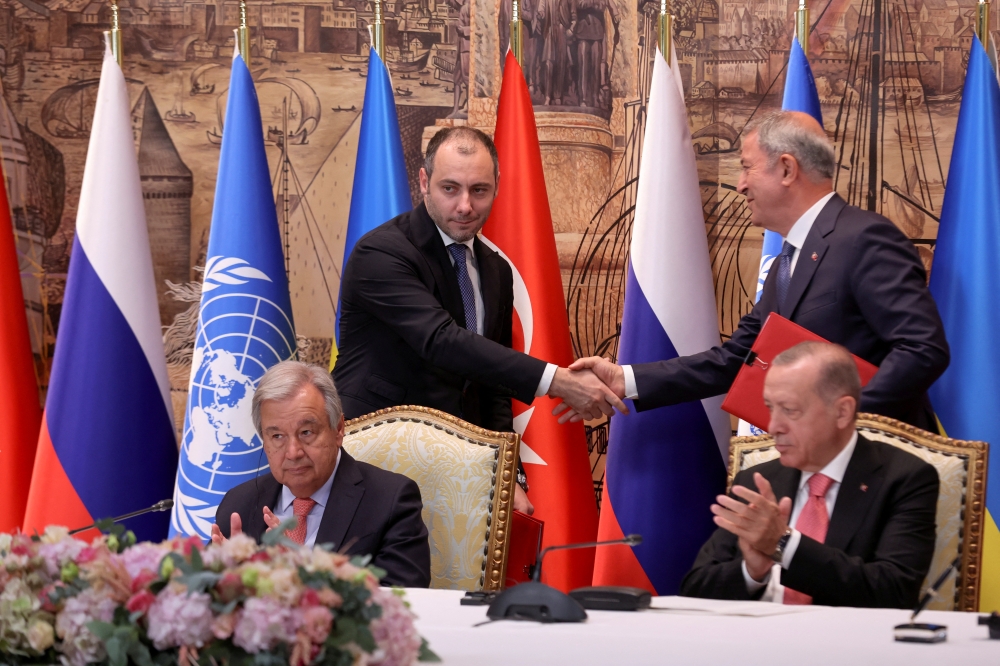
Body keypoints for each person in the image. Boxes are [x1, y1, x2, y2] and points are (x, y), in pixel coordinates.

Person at [564, 110, 949, 431]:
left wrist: (841, 422)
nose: (740, 183)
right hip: (820, 477)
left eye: (747, 168)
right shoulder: (790, 258)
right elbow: (736, 359)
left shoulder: (864, 238)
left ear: (786, 169)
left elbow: (922, 348)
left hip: (877, 475)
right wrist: (625, 379)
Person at [333, 126, 626, 513]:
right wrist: (559, 381)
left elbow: (493, 388)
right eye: (450, 188)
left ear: (497, 187)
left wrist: (509, 477)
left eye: (479, 190)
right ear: (424, 182)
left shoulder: (495, 270)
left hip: (456, 473)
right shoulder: (382, 252)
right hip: (374, 461)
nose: (465, 206)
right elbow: (442, 341)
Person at [680, 342, 939, 608]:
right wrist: (751, 572)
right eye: (771, 408)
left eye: (790, 410)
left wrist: (783, 545)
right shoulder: (756, 482)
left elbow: (894, 591)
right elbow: (695, 588)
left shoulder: (904, 479)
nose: (773, 426)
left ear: (842, 412)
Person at [212, 361, 431, 588]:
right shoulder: (238, 504)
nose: (293, 452)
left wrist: (301, 574)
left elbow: (404, 601)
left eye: (306, 432)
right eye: (277, 436)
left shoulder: (390, 501)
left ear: (338, 429)